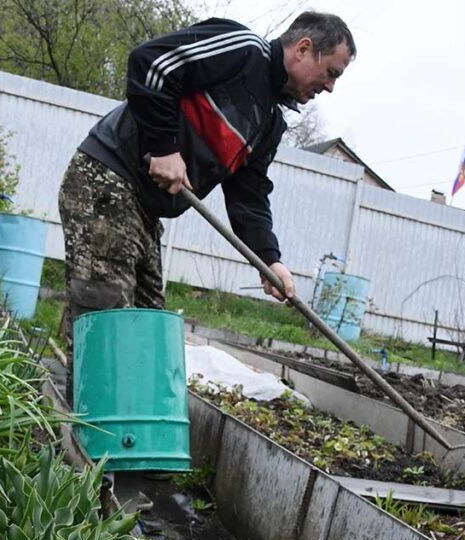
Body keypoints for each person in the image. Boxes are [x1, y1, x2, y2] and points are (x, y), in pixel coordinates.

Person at [58, 11, 355, 397]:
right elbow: (151, 62)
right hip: (109, 179)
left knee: (148, 326)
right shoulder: (241, 52)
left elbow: (249, 196)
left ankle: (127, 430)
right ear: (303, 49)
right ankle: (85, 436)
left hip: (144, 209)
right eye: (332, 72)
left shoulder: (268, 122)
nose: (330, 87)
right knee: (106, 317)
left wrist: (268, 258)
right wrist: (164, 147)